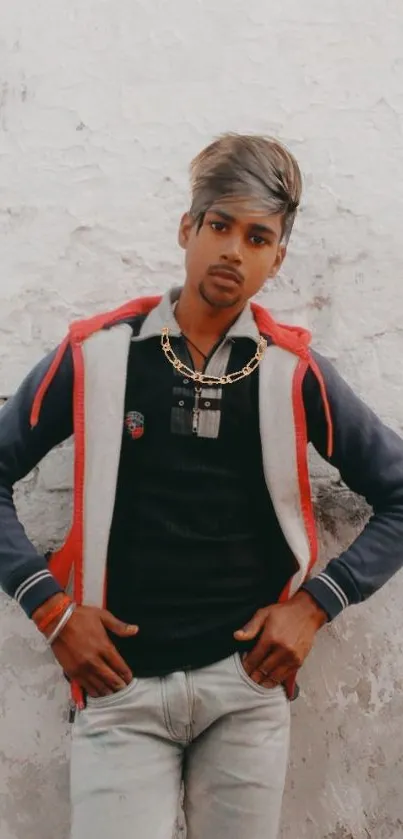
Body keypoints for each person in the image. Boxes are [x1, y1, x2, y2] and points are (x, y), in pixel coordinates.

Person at [1, 133, 403, 839]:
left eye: (257, 237)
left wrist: (312, 607)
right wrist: (54, 612)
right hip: (118, 691)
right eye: (219, 226)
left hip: (244, 691)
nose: (232, 251)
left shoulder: (292, 371)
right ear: (187, 228)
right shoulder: (99, 352)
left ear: (276, 256)